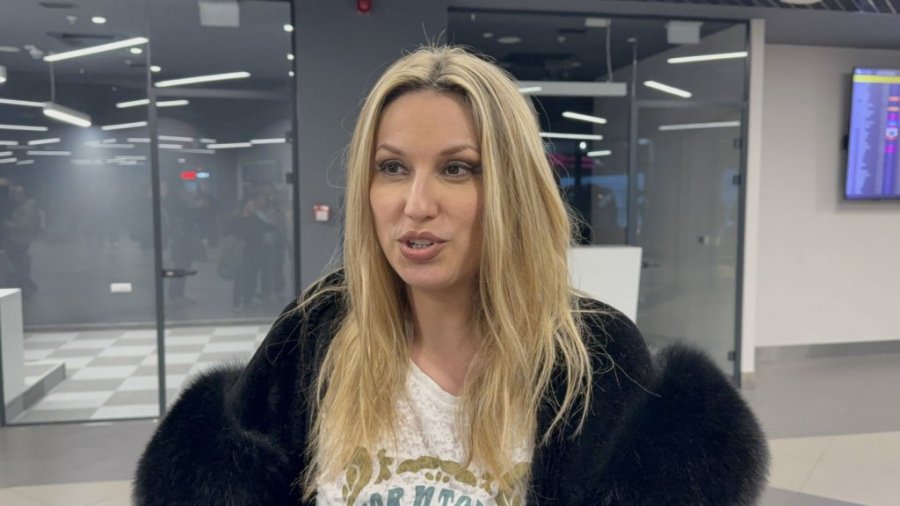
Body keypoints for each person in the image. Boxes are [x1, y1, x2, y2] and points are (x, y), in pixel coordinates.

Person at [134, 46, 768, 505]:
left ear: (514, 190)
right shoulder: (314, 334)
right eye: (392, 168)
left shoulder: (595, 357)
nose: (416, 204)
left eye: (457, 169)